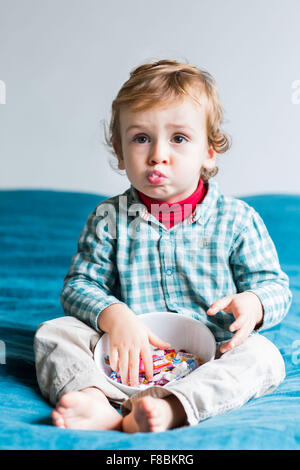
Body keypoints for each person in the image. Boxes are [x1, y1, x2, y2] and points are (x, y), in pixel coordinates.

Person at [34, 59, 292, 433]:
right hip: (123, 361)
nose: (158, 154)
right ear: (120, 152)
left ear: (209, 151)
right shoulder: (109, 218)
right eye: (141, 138)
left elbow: (275, 286)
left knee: (264, 356)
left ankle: (172, 409)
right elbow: (78, 286)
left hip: (209, 361)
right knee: (54, 332)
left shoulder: (238, 220)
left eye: (179, 138)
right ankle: (93, 398)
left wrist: (254, 302)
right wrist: (115, 315)